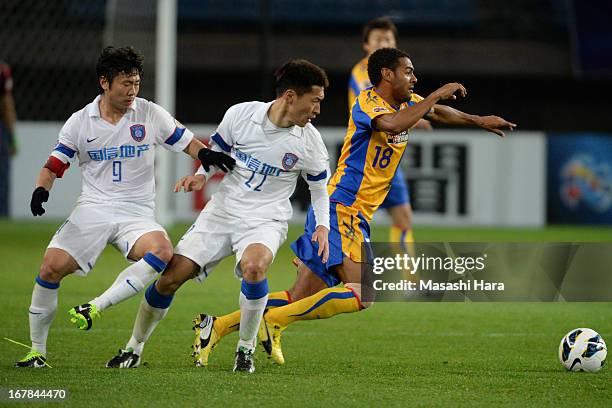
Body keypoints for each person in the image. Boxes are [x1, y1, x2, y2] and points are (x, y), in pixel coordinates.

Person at [196, 47, 516, 366]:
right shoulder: (367, 102)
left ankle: (218, 326)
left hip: (351, 212)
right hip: (342, 208)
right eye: (408, 71)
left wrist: (476, 120)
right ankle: (275, 321)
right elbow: (392, 125)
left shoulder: (407, 103)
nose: (414, 78)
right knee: (364, 293)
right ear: (387, 75)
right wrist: (436, 95)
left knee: (301, 296)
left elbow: (437, 113)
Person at [105, 59, 331, 373]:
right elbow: (215, 155)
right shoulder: (241, 115)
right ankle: (134, 347)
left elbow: (320, 190)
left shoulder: (310, 143)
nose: (318, 110)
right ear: (291, 97)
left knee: (255, 267)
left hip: (265, 219)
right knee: (170, 279)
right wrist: (201, 175)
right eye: (315, 101)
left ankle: (245, 350)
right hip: (222, 212)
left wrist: (322, 227)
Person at [14, 46, 231, 368]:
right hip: (93, 209)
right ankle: (36, 352)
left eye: (136, 84)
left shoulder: (149, 113)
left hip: (136, 213)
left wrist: (206, 156)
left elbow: (187, 142)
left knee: (162, 252)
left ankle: (96, 305)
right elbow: (53, 165)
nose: (132, 91)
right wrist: (40, 190)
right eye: (125, 84)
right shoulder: (79, 122)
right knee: (50, 268)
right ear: (105, 82)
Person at [349, 17, 431, 253]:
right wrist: (418, 119)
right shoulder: (363, 74)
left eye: (388, 38)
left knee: (403, 218)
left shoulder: (393, 73)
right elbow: (384, 113)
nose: (384, 42)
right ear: (366, 45)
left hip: (387, 158)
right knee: (353, 219)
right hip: (365, 158)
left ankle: (411, 282)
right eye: (378, 39)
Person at [0, 61, 17, 217]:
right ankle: (2, 216)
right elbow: (7, 103)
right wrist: (12, 138)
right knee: (2, 178)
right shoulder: (2, 71)